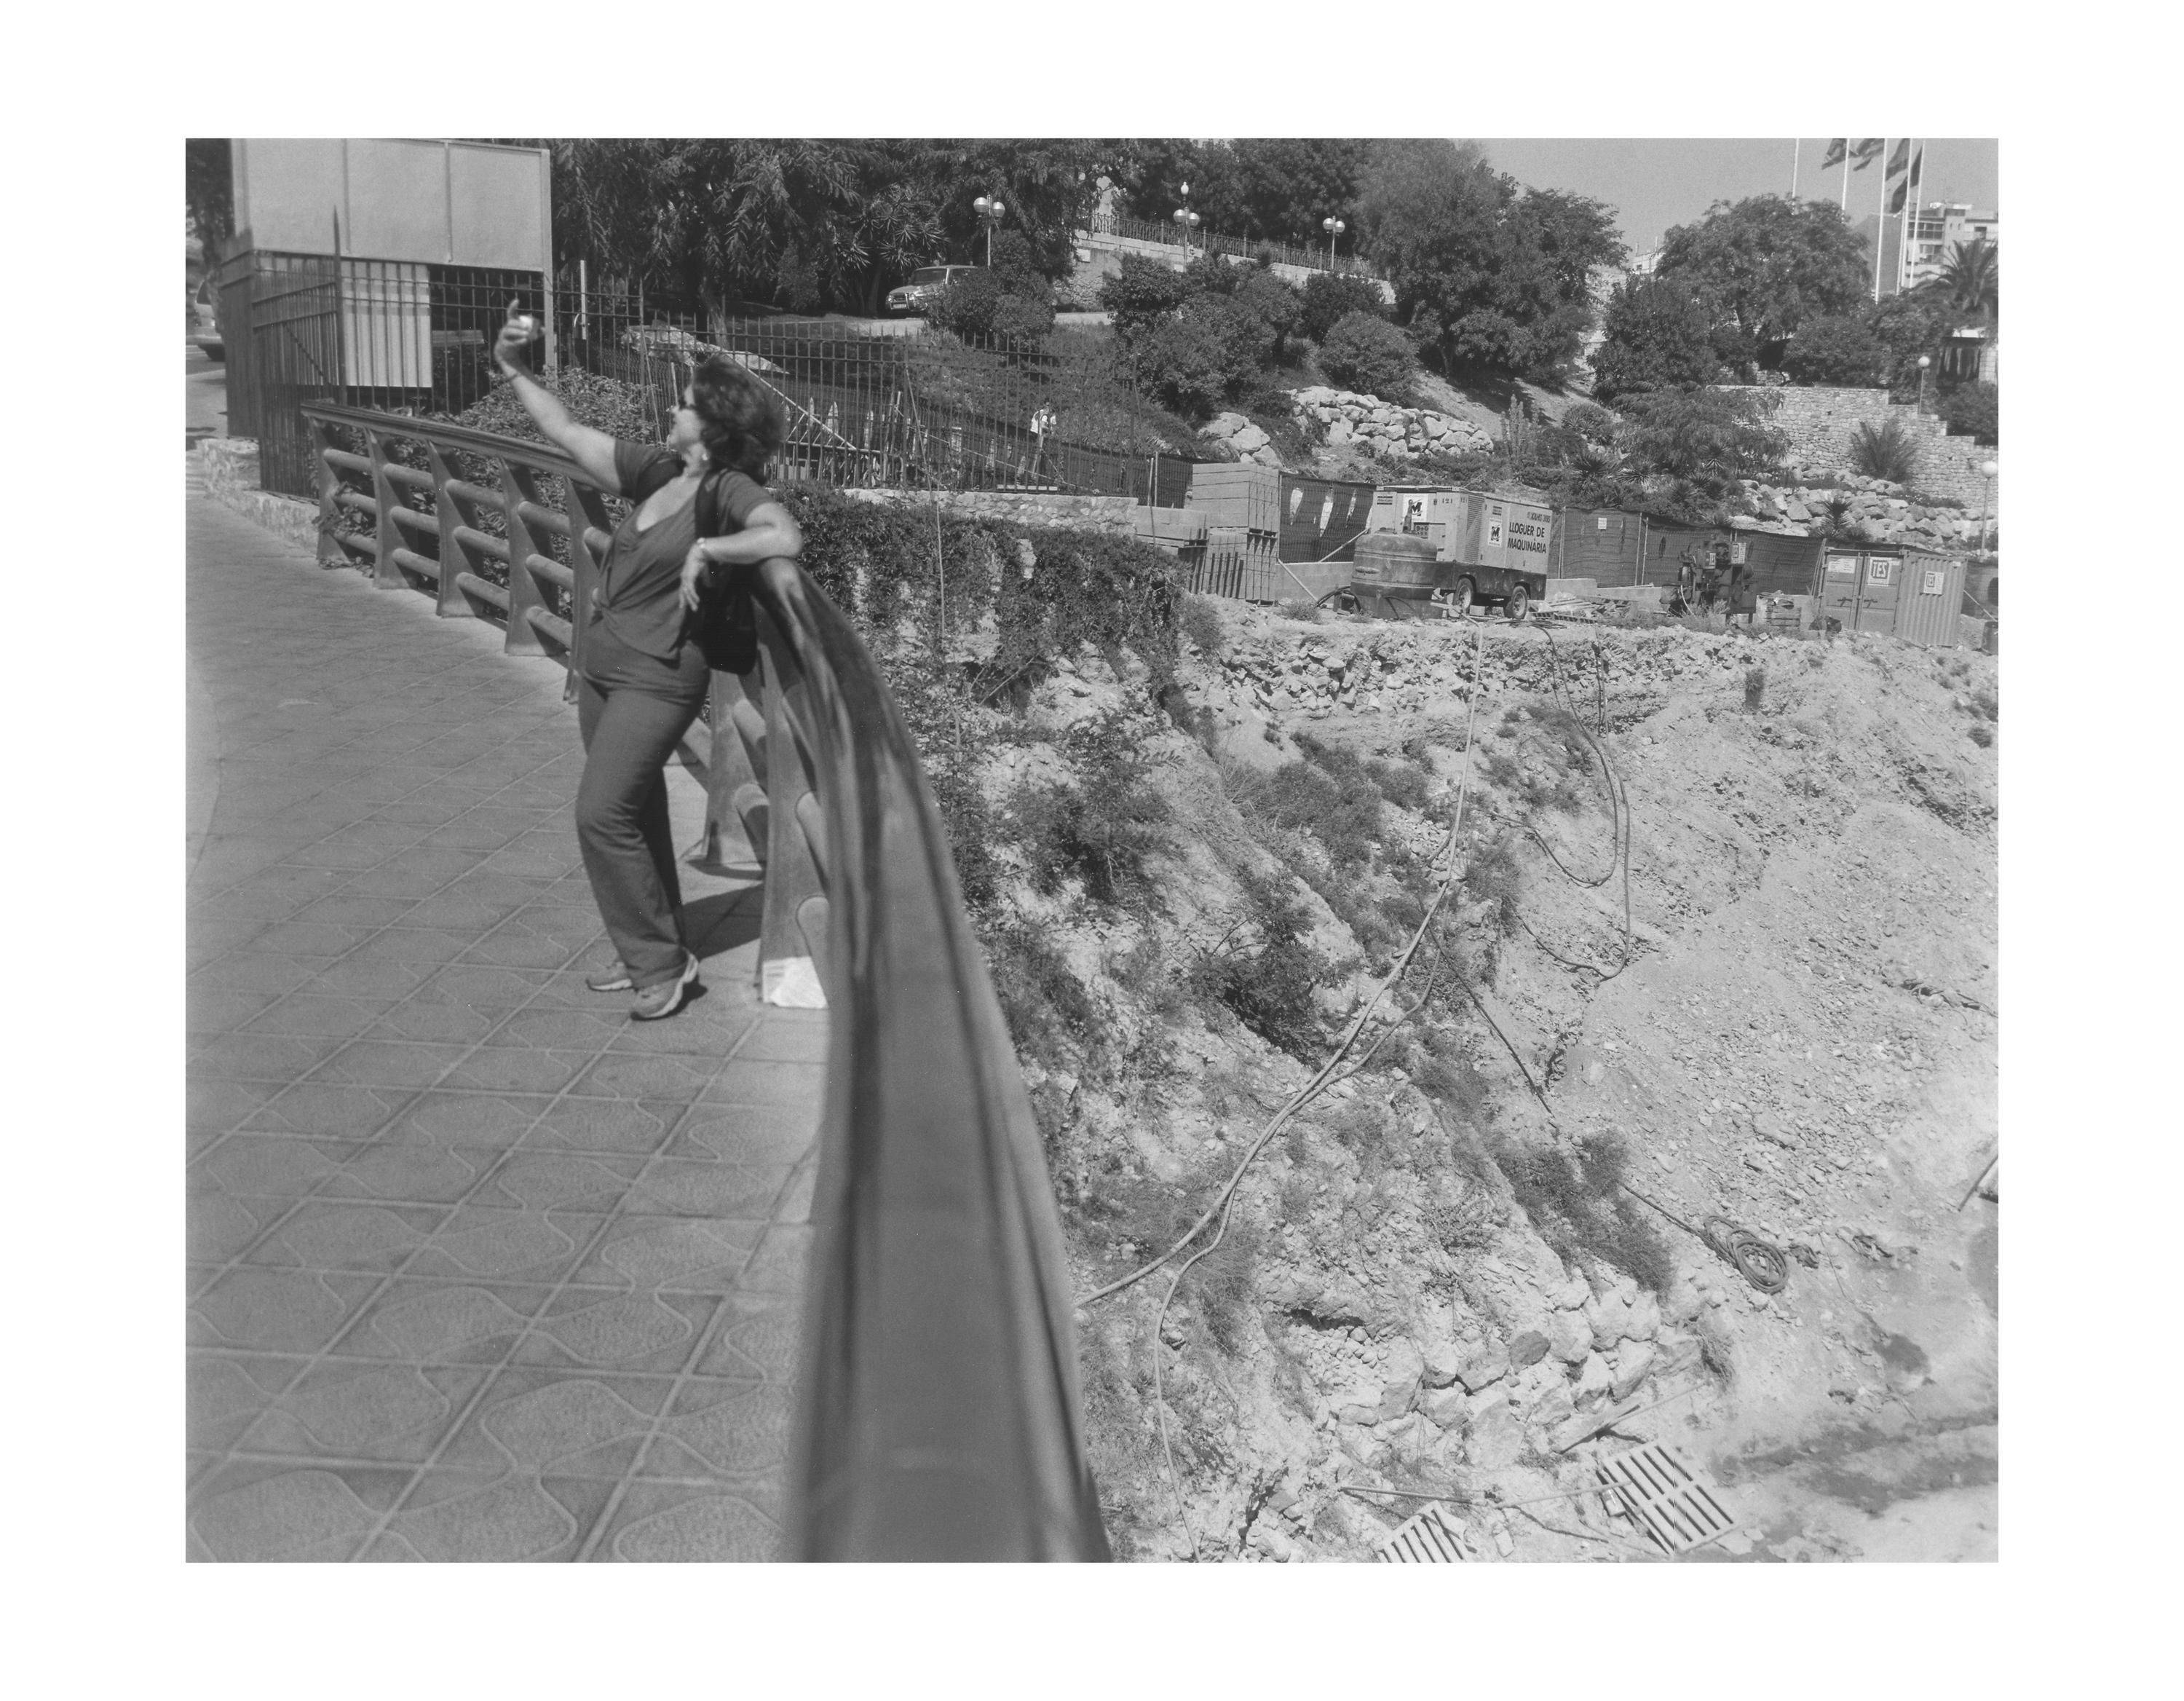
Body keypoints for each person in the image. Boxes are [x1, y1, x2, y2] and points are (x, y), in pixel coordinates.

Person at [490, 310, 803, 1019]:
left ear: (714, 428)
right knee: (635, 805)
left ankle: (659, 962)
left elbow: (784, 532)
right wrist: (511, 367)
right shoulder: (658, 470)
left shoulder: (724, 491)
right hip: (603, 666)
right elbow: (566, 432)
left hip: (658, 676)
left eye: (685, 403)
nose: (672, 406)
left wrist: (710, 549)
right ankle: (660, 938)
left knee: (600, 813)